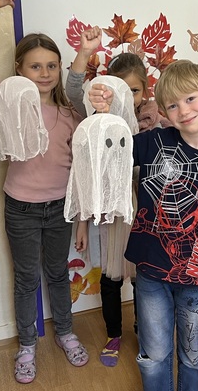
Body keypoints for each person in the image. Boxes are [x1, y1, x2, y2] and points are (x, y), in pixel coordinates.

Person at [89, 60, 198, 391]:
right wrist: (103, 113)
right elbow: (111, 151)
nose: (183, 111)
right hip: (151, 276)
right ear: (162, 111)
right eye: (172, 105)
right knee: (154, 355)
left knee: (193, 356)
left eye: (190, 99)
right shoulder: (154, 142)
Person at [0, 0, 89, 384]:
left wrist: (83, 57)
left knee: (57, 273)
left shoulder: (70, 111)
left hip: (60, 208)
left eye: (52, 66)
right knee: (26, 278)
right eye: (35, 66)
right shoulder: (7, 101)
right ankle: (26, 344)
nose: (45, 73)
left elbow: (81, 168)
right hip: (20, 207)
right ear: (19, 69)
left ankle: (66, 333)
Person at [66, 32, 171, 367]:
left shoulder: (157, 126)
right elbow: (87, 177)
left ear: (145, 91)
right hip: (112, 216)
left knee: (144, 279)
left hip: (145, 213)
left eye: (134, 90)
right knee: (110, 277)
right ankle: (114, 333)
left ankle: (144, 330)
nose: (127, 96)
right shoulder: (98, 125)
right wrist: (82, 223)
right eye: (119, 89)